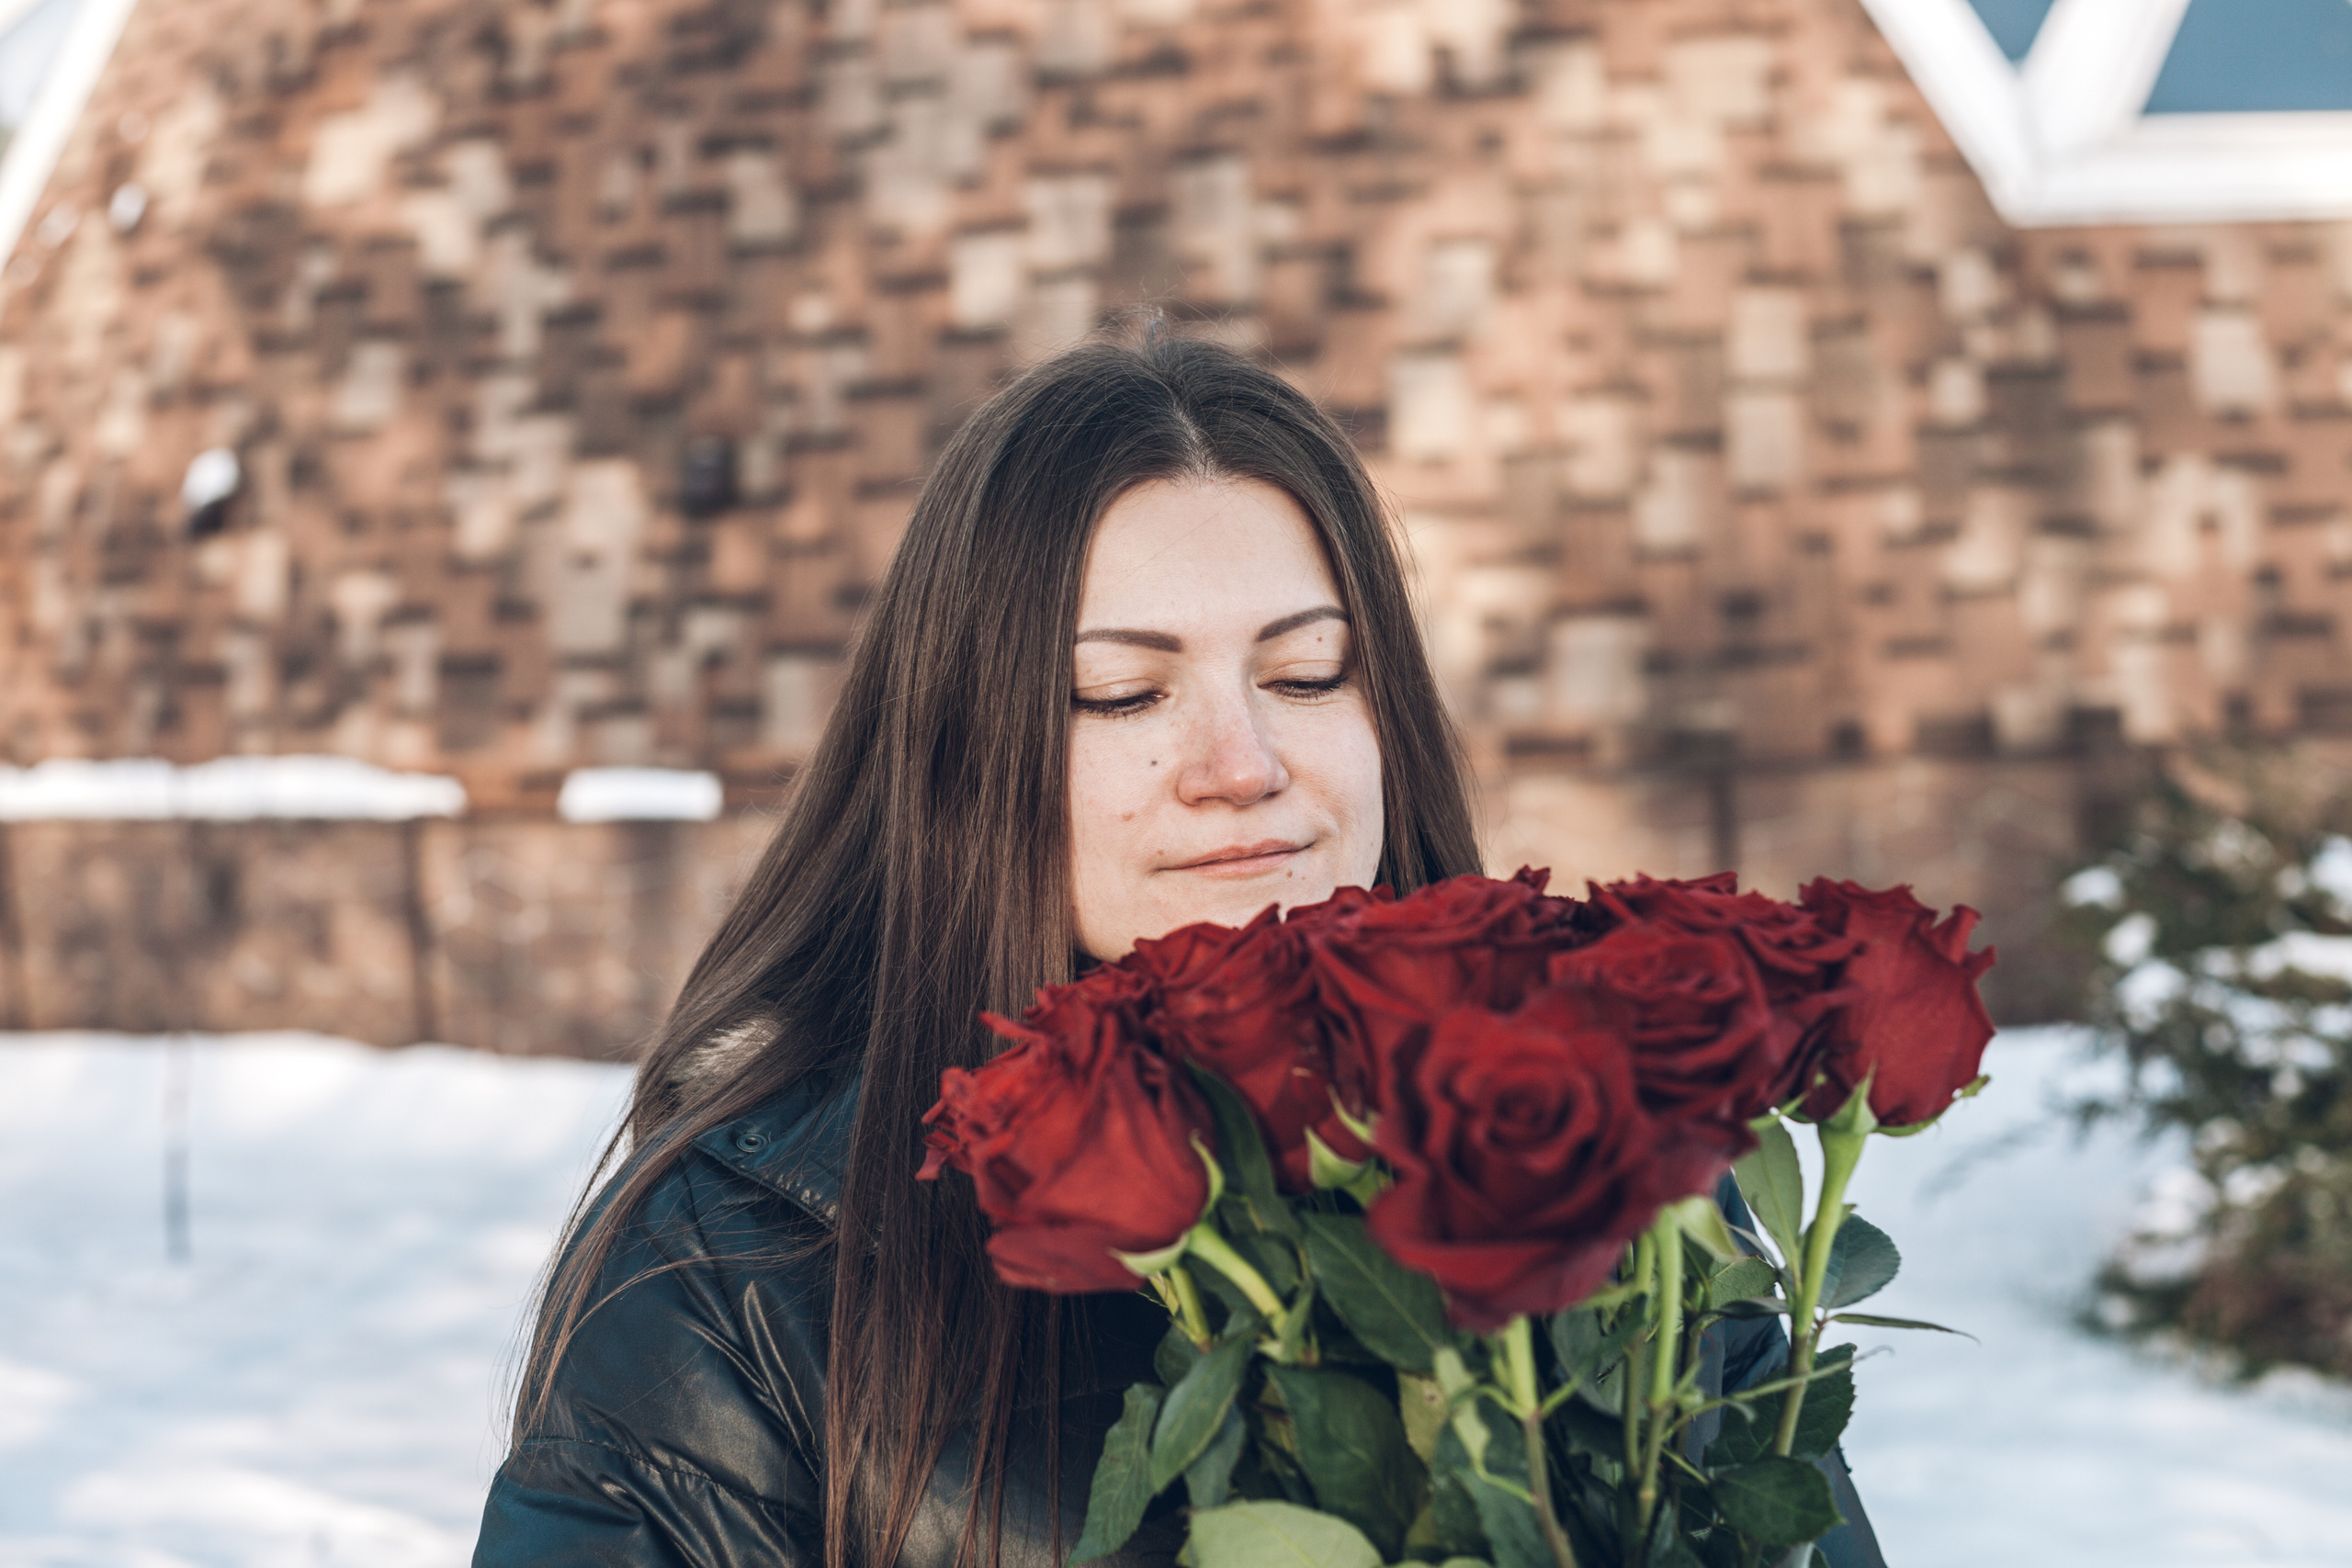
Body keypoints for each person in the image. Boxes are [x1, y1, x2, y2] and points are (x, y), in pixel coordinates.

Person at [474, 330, 1883, 1568]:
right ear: (965, 755)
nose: (1242, 764)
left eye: (1306, 672)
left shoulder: (1608, 1148)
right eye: (1123, 692)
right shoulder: (733, 1268)